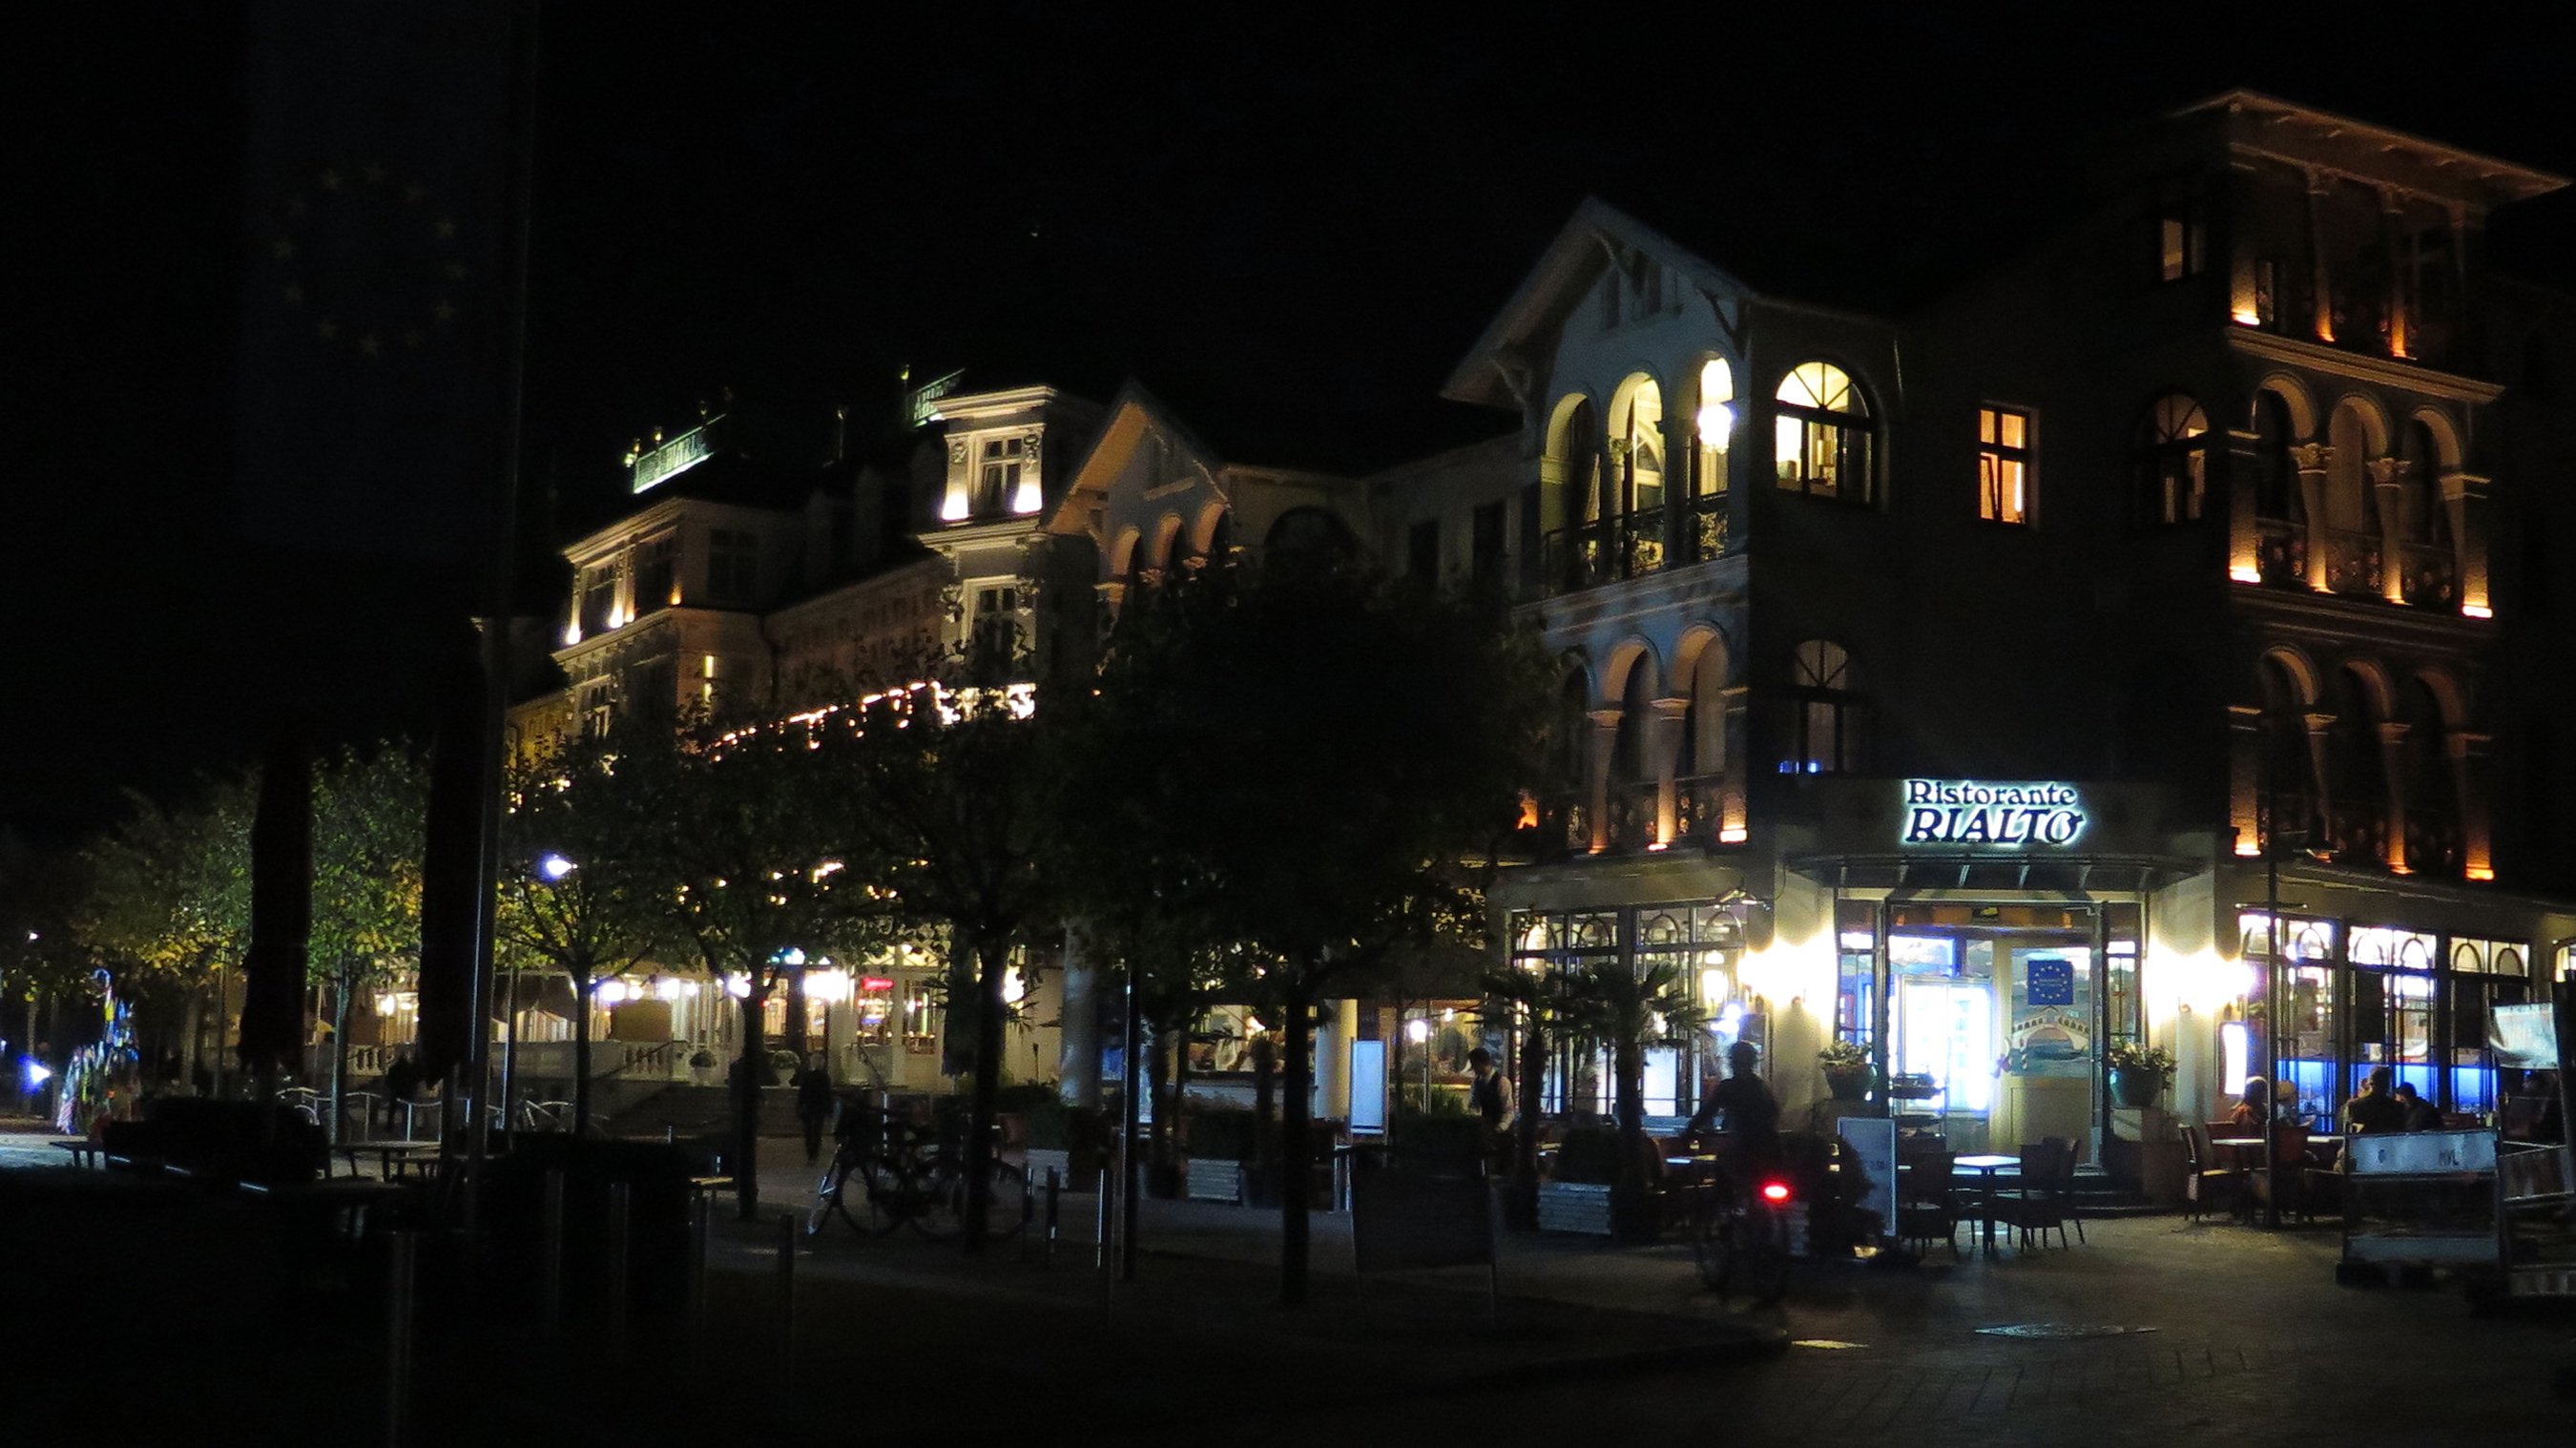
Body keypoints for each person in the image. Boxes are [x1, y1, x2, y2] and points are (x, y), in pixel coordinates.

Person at [1689, 1042, 1783, 1181]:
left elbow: (1707, 1112)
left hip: (1742, 1147)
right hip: (1770, 1147)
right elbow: (1774, 1113)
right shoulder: (1762, 1087)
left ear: (1732, 1062)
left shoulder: (1729, 1087)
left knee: (1723, 1173)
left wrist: (1689, 1131)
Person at [794, 1051, 835, 1164]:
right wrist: (829, 1108)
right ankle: (815, 1153)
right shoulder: (824, 1077)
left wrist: (800, 1106)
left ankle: (810, 1153)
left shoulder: (807, 1076)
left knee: (808, 1131)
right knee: (817, 1130)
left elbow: (802, 1093)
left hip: (808, 1106)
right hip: (819, 1107)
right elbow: (827, 1094)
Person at [2344, 1065, 2406, 1135]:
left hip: (2362, 1141)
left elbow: (2347, 1131)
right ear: (2387, 1084)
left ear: (2369, 1083)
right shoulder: (2397, 1107)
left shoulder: (2354, 1105)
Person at [381, 1050, 420, 1134]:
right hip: (408, 1093)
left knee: (392, 1112)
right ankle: (408, 1129)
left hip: (396, 1093)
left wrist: (392, 1089)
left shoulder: (393, 1069)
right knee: (408, 1113)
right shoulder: (410, 1069)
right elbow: (415, 1081)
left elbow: (388, 1082)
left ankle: (389, 1127)